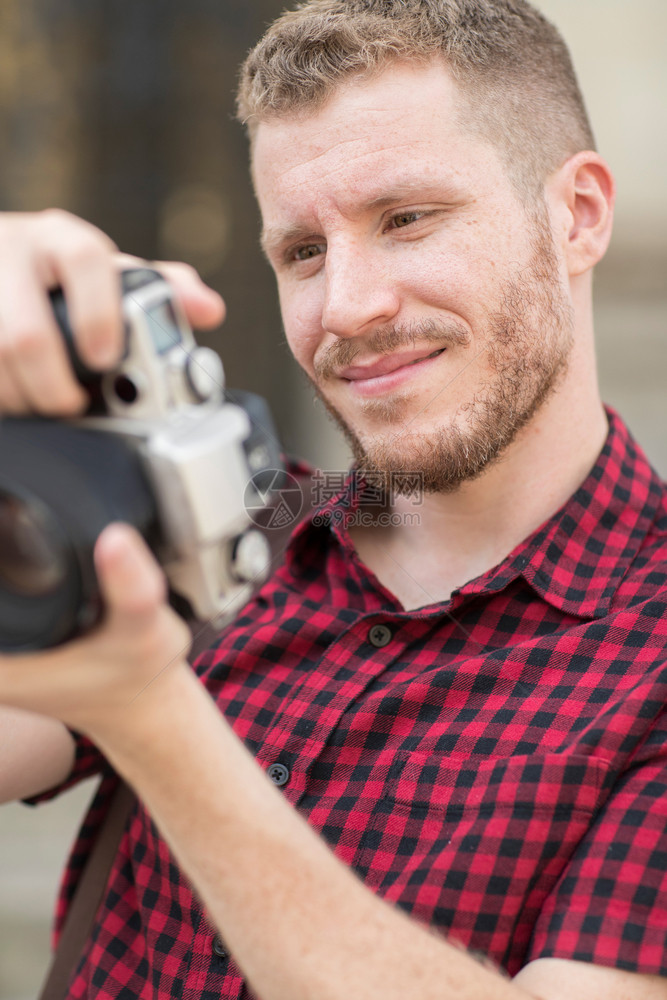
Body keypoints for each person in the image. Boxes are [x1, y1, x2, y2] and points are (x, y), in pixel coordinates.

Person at [1, 0, 666, 997]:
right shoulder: (228, 521)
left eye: (406, 219)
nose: (347, 306)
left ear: (575, 215)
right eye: (302, 252)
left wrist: (151, 716)